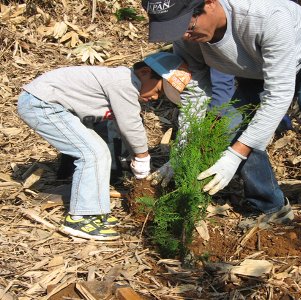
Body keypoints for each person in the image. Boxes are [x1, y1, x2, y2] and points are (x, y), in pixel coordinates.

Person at [142, 0, 301, 222]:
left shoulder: (265, 16)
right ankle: (272, 207)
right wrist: (183, 149)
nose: (184, 36)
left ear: (210, 2)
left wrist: (237, 154)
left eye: (188, 27)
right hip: (257, 70)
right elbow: (196, 96)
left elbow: (279, 93)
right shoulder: (187, 40)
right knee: (228, 127)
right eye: (176, 30)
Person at [17, 52, 191, 240]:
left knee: (99, 152)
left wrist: (135, 154)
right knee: (92, 153)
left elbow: (123, 126)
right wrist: (142, 157)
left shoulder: (125, 83)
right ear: (145, 72)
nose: (157, 98)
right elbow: (130, 124)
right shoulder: (124, 83)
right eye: (158, 90)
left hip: (50, 104)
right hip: (41, 104)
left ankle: (94, 212)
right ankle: (80, 218)